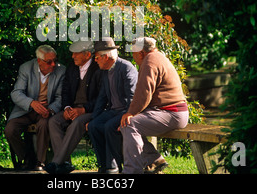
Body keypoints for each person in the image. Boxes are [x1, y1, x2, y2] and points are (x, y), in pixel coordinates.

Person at [119, 37, 189, 174]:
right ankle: (154, 159)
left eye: (134, 55)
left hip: (172, 113)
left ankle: (132, 172)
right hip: (172, 112)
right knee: (126, 124)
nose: (134, 59)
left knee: (129, 123)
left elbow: (144, 94)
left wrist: (130, 113)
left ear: (140, 53)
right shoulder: (157, 57)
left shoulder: (149, 61)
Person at [4, 45, 66, 171]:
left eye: (55, 60)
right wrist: (32, 103)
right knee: (10, 130)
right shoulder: (26, 68)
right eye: (49, 62)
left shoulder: (61, 71)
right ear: (39, 61)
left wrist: (50, 110)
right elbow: (16, 93)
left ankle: (40, 161)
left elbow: (61, 97)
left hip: (46, 111)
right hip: (26, 110)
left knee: (44, 125)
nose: (53, 64)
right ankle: (27, 157)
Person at [45, 40, 101, 174]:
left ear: (87, 55)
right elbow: (65, 90)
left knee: (76, 123)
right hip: (73, 108)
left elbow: (101, 98)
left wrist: (84, 109)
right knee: (53, 121)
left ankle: (56, 162)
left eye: (76, 53)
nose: (73, 56)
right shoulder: (72, 67)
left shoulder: (98, 68)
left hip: (91, 111)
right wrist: (67, 108)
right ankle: (65, 164)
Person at [87, 37, 138, 173]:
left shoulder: (126, 68)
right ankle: (104, 165)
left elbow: (132, 97)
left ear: (106, 57)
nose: (95, 61)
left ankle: (117, 166)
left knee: (110, 126)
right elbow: (102, 98)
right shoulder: (105, 72)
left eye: (97, 58)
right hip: (113, 111)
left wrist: (127, 115)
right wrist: (93, 119)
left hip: (127, 111)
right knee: (93, 126)